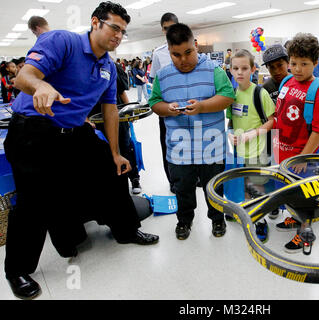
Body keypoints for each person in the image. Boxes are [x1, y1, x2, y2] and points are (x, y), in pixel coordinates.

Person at [3, 1, 159, 300]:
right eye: (114, 27)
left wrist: (115, 152)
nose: (118, 36)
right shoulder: (62, 41)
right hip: (33, 131)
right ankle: (17, 270)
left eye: (123, 32)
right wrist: (41, 88)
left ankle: (126, 230)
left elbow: (111, 110)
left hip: (73, 132)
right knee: (34, 200)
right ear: (95, 22)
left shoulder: (108, 67)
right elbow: (23, 78)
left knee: (113, 171)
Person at [149, 23, 235, 240]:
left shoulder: (213, 70)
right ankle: (184, 220)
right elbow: (155, 103)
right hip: (180, 149)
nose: (183, 60)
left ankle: (217, 219)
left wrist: (203, 106)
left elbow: (227, 96)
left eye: (188, 52)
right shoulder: (163, 75)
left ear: (195, 46)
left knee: (214, 187)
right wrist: (167, 109)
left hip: (211, 146)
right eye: (176, 55)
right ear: (169, 52)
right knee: (183, 189)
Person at [272, 33, 319, 253]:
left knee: (304, 197)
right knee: (288, 194)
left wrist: (303, 158)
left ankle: (305, 232)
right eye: (293, 63)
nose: (297, 69)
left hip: (302, 158)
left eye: (304, 64)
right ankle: (294, 219)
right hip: (282, 153)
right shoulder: (287, 81)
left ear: (316, 63)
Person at [227, 49, 275, 242]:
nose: (240, 72)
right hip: (240, 152)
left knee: (257, 185)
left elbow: (272, 121)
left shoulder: (260, 93)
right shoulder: (232, 94)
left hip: (258, 150)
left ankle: (260, 219)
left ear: (253, 69)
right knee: (245, 182)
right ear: (230, 70)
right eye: (236, 68)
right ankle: (249, 212)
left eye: (245, 68)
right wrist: (232, 135)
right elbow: (232, 120)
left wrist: (250, 135)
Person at [88, 58, 142, 194]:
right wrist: (86, 119)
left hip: (117, 115)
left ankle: (134, 178)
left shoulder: (113, 67)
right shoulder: (84, 68)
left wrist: (130, 111)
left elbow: (122, 91)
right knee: (103, 151)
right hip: (95, 118)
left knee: (125, 147)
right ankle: (113, 184)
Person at [149, 12, 179, 194]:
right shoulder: (158, 54)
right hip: (167, 108)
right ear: (162, 30)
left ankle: (194, 176)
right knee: (167, 144)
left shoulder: (188, 48)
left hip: (188, 106)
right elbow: (154, 82)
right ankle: (172, 180)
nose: (169, 31)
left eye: (172, 27)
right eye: (166, 28)